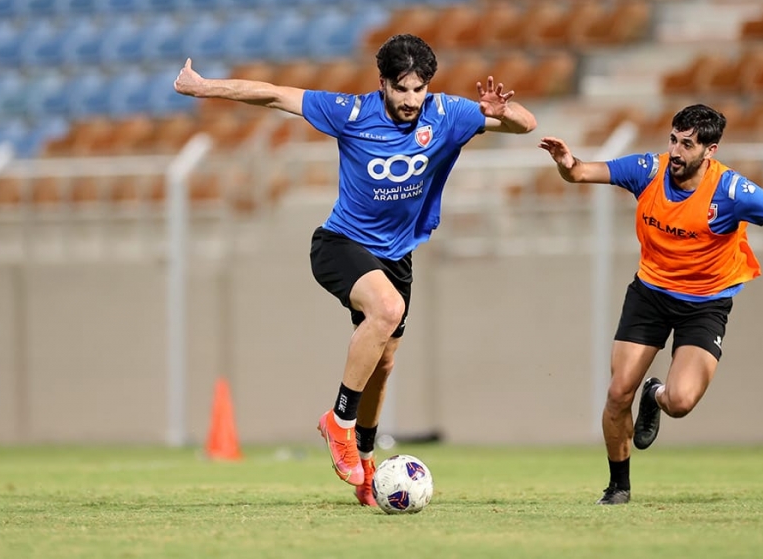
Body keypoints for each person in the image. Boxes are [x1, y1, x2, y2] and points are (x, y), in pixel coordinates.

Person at [173, 34, 536, 506]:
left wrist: (503, 112)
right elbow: (274, 94)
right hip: (340, 245)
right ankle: (338, 422)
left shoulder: (448, 113)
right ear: (382, 83)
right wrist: (204, 87)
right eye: (401, 88)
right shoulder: (352, 112)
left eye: (419, 89)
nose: (411, 100)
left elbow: (526, 125)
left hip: (397, 256)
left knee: (383, 363)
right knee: (387, 309)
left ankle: (366, 463)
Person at [538, 103, 763, 505]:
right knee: (618, 393)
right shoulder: (648, 170)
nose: (676, 152)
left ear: (710, 150)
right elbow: (581, 172)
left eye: (687, 144)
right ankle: (618, 487)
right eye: (673, 140)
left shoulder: (731, 192)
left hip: (705, 304)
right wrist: (567, 162)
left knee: (680, 402)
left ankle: (655, 394)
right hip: (650, 294)